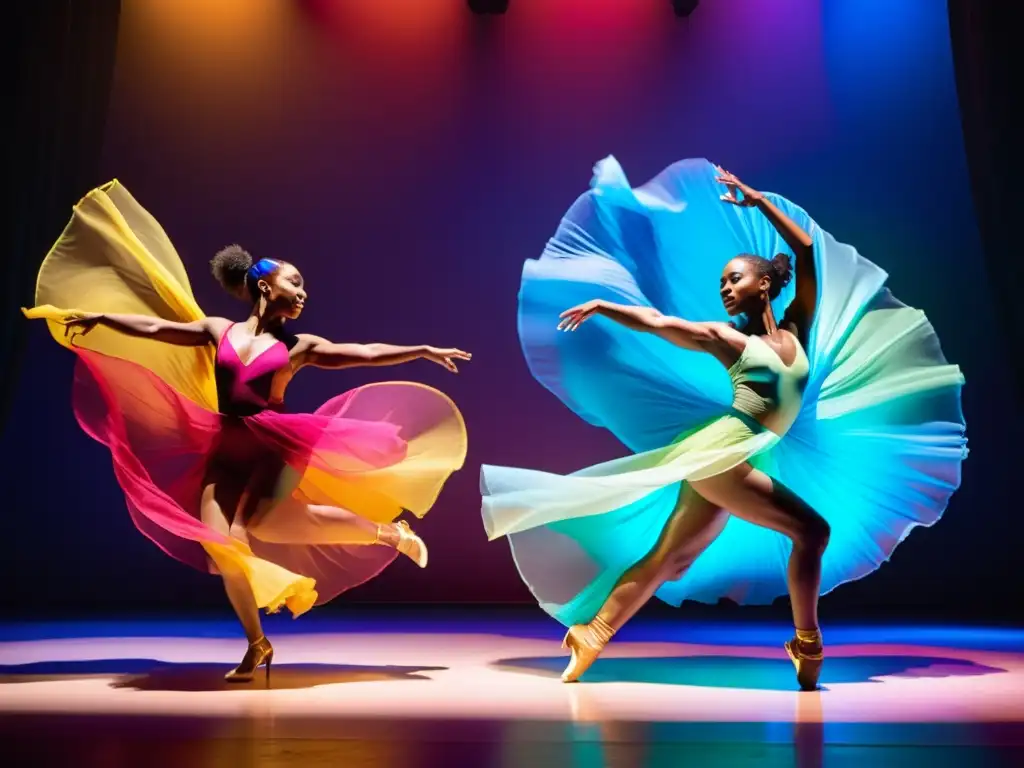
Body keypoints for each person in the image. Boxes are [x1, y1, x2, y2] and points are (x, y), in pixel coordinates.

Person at [481, 158, 966, 690]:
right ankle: (807, 643)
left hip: (737, 454)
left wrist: (758, 202)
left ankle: (590, 635)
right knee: (812, 531)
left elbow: (805, 253)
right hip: (723, 451)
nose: (726, 289)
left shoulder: (797, 332)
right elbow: (665, 324)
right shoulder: (729, 340)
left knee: (672, 557)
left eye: (734, 279)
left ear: (765, 284)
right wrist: (606, 306)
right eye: (721, 283)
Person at [23, 181, 470, 684]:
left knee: (261, 524)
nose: (302, 293)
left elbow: (363, 352)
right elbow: (153, 329)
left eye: (303, 287)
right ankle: (257, 644)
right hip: (225, 445)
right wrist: (100, 316)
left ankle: (389, 532)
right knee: (222, 544)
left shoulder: (301, 346)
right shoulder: (218, 330)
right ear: (264, 286)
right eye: (294, 283)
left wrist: (422, 350)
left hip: (275, 446)